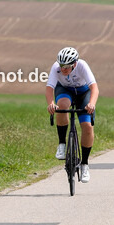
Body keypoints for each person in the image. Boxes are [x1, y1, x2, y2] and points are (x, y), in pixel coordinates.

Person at [45, 46, 98, 183]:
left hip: (83, 93)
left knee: (87, 125)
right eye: (62, 66)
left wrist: (91, 104)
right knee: (62, 106)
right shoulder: (56, 67)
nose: (63, 69)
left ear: (74, 64)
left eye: (67, 67)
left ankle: (85, 164)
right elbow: (50, 88)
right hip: (65, 90)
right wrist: (51, 103)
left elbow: (94, 88)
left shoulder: (82, 66)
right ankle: (62, 144)